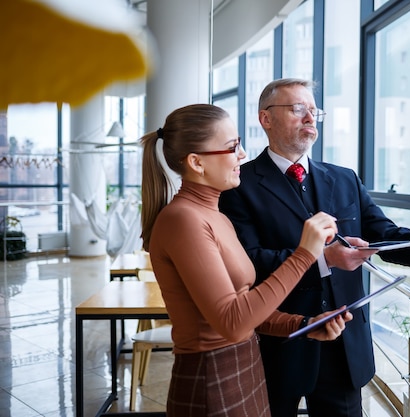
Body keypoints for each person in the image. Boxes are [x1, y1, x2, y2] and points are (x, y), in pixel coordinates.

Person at [219, 79, 410, 417]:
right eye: (298, 109)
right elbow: (251, 261)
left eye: (314, 111)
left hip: (344, 342)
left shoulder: (343, 178)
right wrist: (323, 259)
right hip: (279, 342)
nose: (310, 118)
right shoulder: (239, 185)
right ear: (266, 119)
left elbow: (382, 233)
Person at [140, 103, 353, 417]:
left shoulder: (214, 215)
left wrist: (302, 324)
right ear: (196, 162)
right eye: (232, 147)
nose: (242, 155)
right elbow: (232, 321)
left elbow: (244, 307)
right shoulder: (182, 220)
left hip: (244, 367)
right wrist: (306, 253)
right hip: (210, 379)